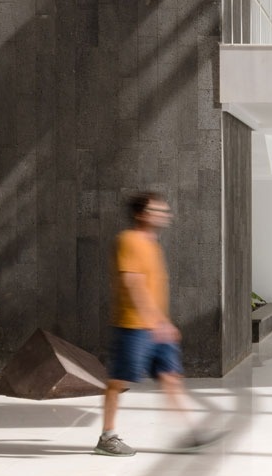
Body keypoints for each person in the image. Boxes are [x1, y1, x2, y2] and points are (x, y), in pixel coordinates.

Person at [94, 191, 220, 456]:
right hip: (132, 326)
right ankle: (107, 437)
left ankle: (192, 434)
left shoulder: (153, 245)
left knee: (171, 378)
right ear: (141, 214)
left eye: (165, 211)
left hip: (155, 327)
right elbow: (133, 284)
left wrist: (163, 323)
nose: (164, 215)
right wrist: (156, 323)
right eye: (157, 211)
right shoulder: (128, 240)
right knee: (118, 382)